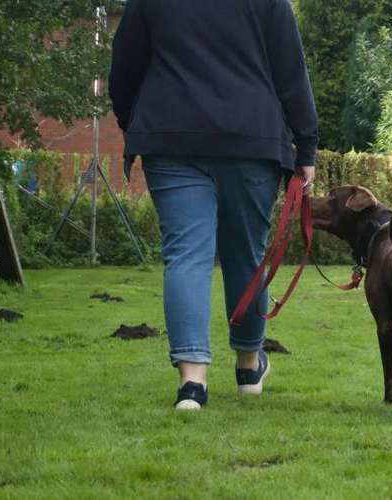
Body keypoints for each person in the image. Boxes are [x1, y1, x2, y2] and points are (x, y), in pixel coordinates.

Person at [109, 0, 318, 410]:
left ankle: (192, 383)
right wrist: (306, 145)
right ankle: (247, 366)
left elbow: (124, 69)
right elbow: (291, 72)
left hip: (170, 140)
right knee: (247, 257)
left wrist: (136, 121)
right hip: (251, 140)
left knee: (186, 256)